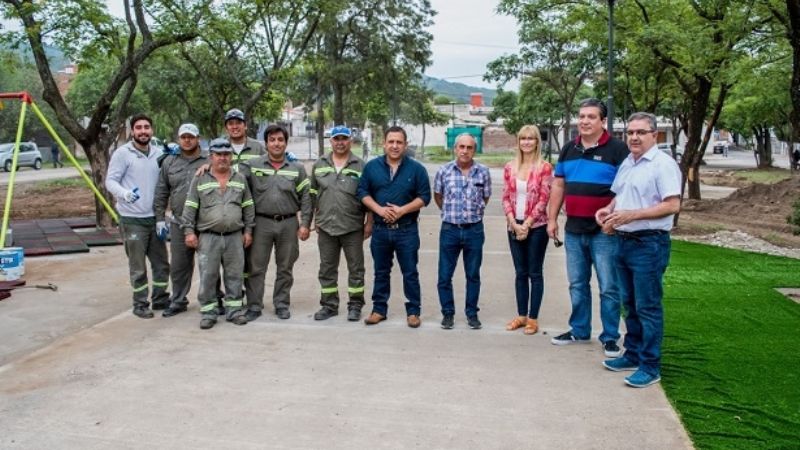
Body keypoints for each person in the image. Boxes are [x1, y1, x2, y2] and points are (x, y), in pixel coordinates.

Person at [595, 112, 681, 388]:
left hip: (649, 243)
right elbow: (620, 196)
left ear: (654, 135)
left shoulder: (663, 165)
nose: (634, 137)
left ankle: (650, 365)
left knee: (647, 306)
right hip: (623, 240)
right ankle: (632, 354)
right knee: (630, 304)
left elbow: (672, 205)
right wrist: (609, 210)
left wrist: (631, 215)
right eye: (630, 132)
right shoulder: (629, 163)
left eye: (640, 132)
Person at [547, 98, 629, 356]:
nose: (584, 121)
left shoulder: (618, 149)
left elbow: (626, 189)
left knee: (609, 287)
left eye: (591, 117)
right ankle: (579, 329)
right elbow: (558, 185)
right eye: (581, 116)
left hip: (604, 232)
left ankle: (610, 336)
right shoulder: (568, 149)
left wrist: (614, 219)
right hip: (573, 230)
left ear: (603, 121)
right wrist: (552, 219)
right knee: (577, 284)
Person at [358, 126, 431, 328]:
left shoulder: (416, 169)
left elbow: (425, 197)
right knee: (381, 272)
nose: (395, 146)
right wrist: (379, 210)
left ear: (405, 145)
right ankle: (378, 310)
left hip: (407, 230)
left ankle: (413, 312)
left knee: (410, 272)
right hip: (380, 230)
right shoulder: (372, 167)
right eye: (391, 142)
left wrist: (402, 210)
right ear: (384, 144)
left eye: (399, 142)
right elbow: (363, 192)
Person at [239, 124, 312, 321]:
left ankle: (281, 304)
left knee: (285, 267)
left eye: (280, 140)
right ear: (266, 143)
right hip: (260, 223)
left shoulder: (297, 168)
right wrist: (206, 166)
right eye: (272, 140)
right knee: (256, 267)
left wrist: (305, 224)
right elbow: (230, 174)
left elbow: (306, 198)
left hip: (288, 223)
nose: (276, 143)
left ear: (286, 143)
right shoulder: (253, 165)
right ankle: (254, 305)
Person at [182, 138, 255, 329]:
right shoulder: (200, 178)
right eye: (218, 154)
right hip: (208, 237)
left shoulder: (240, 179)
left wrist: (248, 230)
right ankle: (209, 312)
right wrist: (189, 232)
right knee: (208, 276)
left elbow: (248, 206)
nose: (223, 158)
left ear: (231, 156)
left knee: (235, 275)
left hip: (234, 237)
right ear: (211, 156)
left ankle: (234, 311)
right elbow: (190, 206)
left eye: (226, 154)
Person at [105, 113, 170, 319]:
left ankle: (160, 298)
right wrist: (124, 194)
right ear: (132, 131)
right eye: (139, 127)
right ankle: (140, 303)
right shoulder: (123, 154)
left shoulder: (158, 153)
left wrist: (162, 218)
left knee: (161, 264)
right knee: (138, 266)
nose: (143, 131)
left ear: (152, 130)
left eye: (146, 127)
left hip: (155, 219)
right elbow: (110, 181)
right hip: (133, 220)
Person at [310, 125, 371, 322]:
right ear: (331, 141)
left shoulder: (360, 166)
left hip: (352, 226)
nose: (340, 142)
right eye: (336, 139)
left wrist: (369, 222)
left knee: (356, 269)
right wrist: (309, 222)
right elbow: (312, 195)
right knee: (327, 269)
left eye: (344, 138)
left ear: (350, 141)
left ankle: (355, 305)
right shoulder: (319, 164)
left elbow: (369, 196)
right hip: (326, 227)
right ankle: (329, 305)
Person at [433, 133, 491, 330]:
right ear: (455, 148)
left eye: (469, 147)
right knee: (444, 275)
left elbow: (485, 197)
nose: (465, 151)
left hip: (474, 230)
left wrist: (473, 213)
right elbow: (438, 196)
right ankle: (448, 313)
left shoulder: (483, 172)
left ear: (474, 150)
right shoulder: (444, 171)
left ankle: (472, 313)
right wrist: (451, 213)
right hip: (450, 229)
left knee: (473, 274)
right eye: (461, 147)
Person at [154, 123, 209, 318]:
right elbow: (161, 191)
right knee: (179, 266)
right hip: (179, 222)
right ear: (179, 139)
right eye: (184, 137)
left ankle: (212, 300)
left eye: (191, 137)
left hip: (205, 223)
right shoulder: (169, 162)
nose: (187, 140)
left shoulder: (209, 160)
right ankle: (178, 300)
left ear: (198, 139)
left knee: (209, 265)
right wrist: (160, 219)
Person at [502, 125, 553, 335]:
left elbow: (544, 198)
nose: (526, 142)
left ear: (537, 142)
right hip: (514, 224)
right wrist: (513, 222)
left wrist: (527, 224)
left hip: (537, 226)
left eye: (531, 139)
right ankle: (521, 316)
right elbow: (506, 196)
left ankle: (533, 318)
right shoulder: (510, 167)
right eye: (523, 138)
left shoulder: (545, 168)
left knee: (535, 272)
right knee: (520, 272)